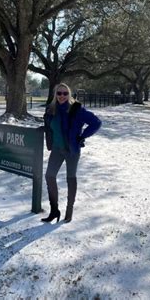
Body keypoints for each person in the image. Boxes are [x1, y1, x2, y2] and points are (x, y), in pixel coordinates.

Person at [42, 83, 102, 223]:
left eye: (65, 93)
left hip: (71, 150)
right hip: (57, 149)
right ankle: (54, 210)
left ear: (69, 94)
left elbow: (96, 123)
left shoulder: (76, 109)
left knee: (70, 178)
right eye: (59, 93)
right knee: (49, 176)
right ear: (55, 95)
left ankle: (69, 211)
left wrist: (82, 136)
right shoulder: (51, 109)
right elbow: (49, 126)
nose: (62, 96)